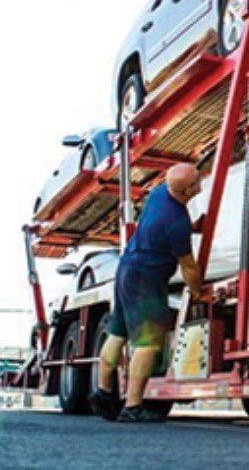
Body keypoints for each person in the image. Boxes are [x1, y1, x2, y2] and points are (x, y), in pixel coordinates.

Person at [89, 163, 204, 423]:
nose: (202, 179)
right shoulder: (177, 223)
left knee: (118, 332)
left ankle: (104, 392)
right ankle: (132, 407)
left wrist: (193, 227)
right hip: (147, 280)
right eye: (198, 179)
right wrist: (196, 292)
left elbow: (160, 225)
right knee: (147, 343)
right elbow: (189, 266)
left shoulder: (160, 194)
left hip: (127, 269)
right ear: (187, 190)